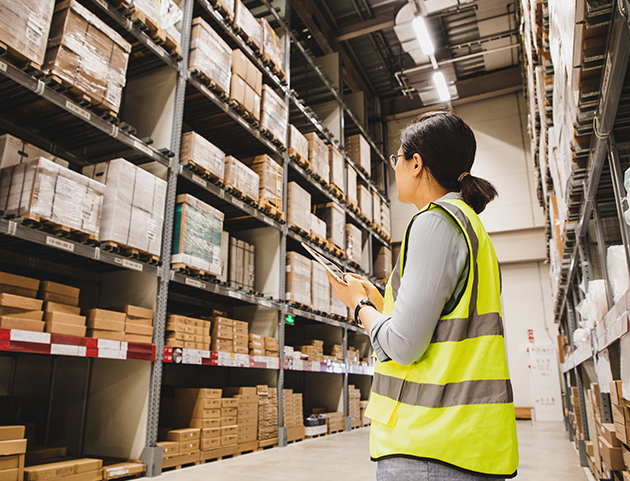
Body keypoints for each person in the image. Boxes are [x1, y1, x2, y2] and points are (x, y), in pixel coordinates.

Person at [328, 111, 519, 480]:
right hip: (460, 441)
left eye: (397, 158)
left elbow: (403, 346)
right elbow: (441, 327)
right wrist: (382, 304)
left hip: (431, 446)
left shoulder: (434, 222)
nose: (395, 166)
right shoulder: (466, 224)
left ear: (417, 163)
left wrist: (358, 306)